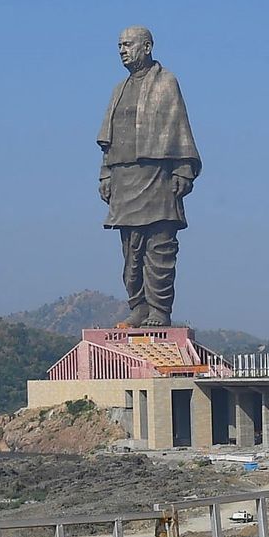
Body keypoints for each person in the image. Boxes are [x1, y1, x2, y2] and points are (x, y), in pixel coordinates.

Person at [97, 25, 200, 327]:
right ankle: (138, 305)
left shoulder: (167, 82)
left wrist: (183, 168)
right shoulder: (119, 89)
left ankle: (159, 310)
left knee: (159, 247)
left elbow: (179, 126)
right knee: (131, 252)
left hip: (157, 176)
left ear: (147, 46)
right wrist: (105, 175)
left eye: (128, 44)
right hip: (124, 178)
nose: (122, 50)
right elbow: (108, 140)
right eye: (119, 45)